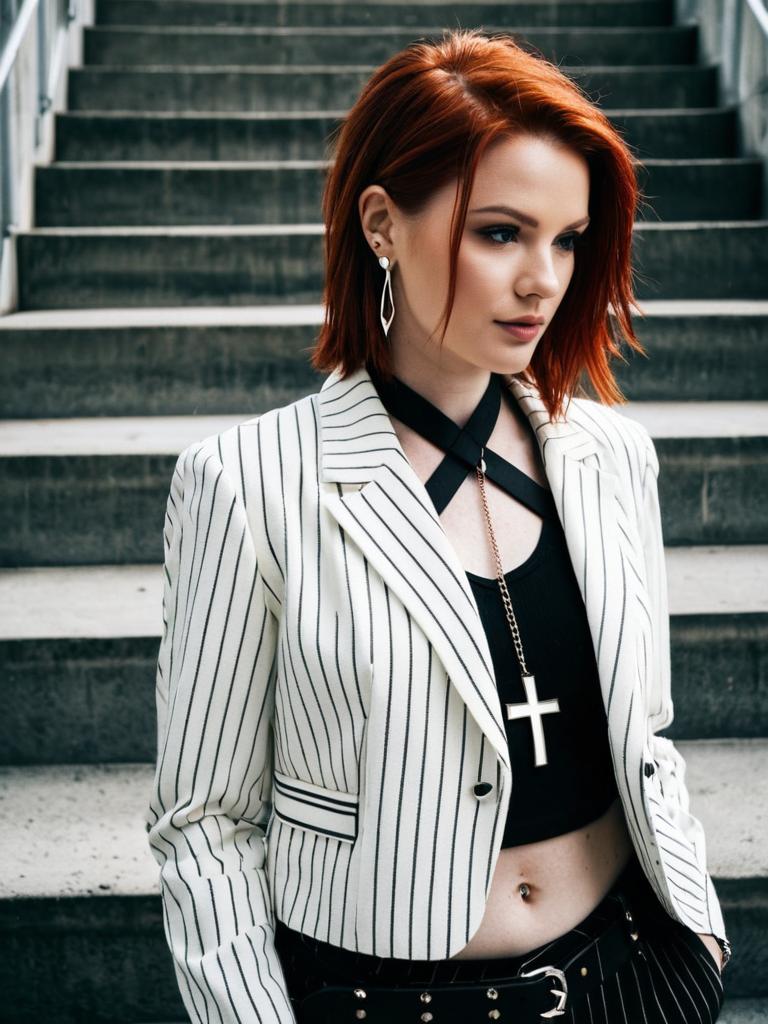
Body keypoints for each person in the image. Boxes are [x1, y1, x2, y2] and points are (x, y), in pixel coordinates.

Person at [145, 28, 731, 1024]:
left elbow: (649, 735)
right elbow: (206, 823)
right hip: (384, 997)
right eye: (501, 232)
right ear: (382, 223)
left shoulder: (608, 457)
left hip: (632, 975)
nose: (544, 278)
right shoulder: (250, 484)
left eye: (568, 238)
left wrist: (699, 932)